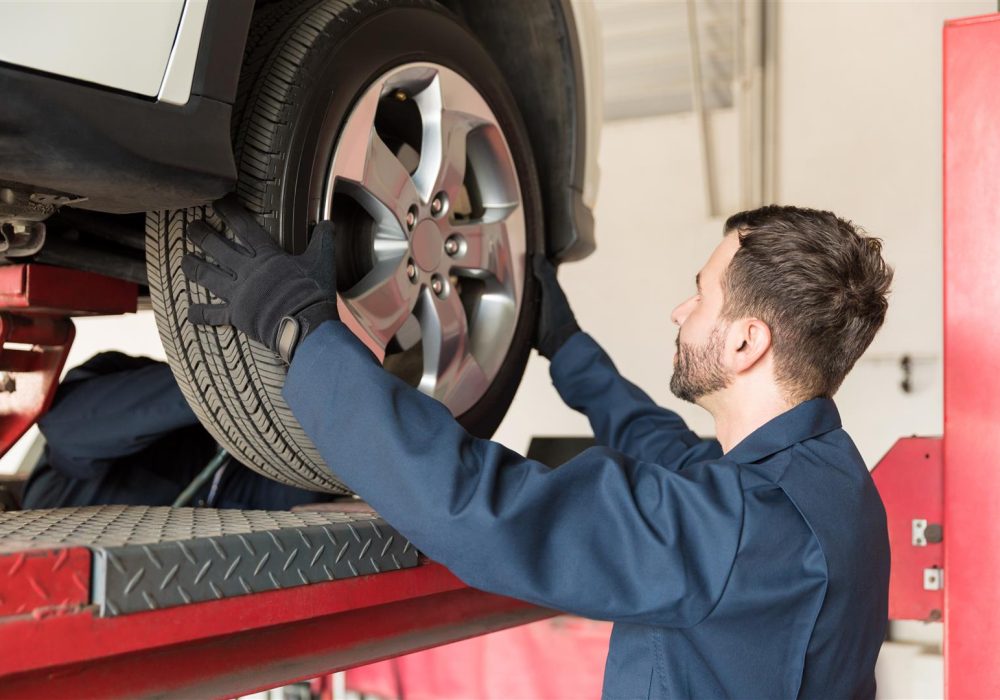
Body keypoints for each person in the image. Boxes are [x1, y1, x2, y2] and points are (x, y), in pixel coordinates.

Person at [182, 196, 893, 699]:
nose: (681, 310)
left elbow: (478, 506)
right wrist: (568, 349)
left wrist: (301, 332)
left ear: (745, 341)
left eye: (700, 294)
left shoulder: (743, 530)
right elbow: (670, 454)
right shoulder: (824, 479)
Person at [22, 351, 332, 511]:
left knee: (64, 428)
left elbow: (70, 433)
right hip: (246, 495)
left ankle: (242, 380)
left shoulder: (45, 495)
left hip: (217, 424)